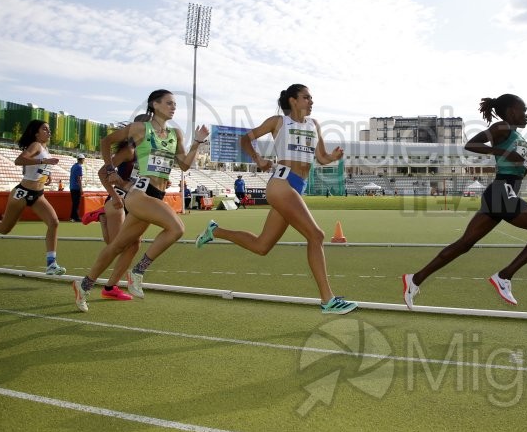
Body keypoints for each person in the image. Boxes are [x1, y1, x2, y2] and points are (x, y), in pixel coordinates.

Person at [195, 84, 357, 315]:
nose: (311, 101)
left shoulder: (314, 124)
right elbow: (245, 140)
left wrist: (333, 156)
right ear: (293, 100)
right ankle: (327, 300)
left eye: (311, 98)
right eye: (306, 97)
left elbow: (320, 158)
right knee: (317, 235)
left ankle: (215, 231)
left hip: (297, 187)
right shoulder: (278, 122)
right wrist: (258, 159)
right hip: (281, 183)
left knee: (262, 246)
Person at [401, 94, 527, 308]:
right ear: (511, 111)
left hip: (504, 192)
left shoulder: (517, 136)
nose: (526, 114)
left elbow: (519, 173)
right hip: (501, 192)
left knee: (464, 244)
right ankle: (504, 276)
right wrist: (501, 151)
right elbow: (471, 144)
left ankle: (415, 279)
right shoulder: (502, 127)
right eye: (523, 109)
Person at [72, 90, 208, 312]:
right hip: (139, 194)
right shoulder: (139, 129)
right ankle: (137, 271)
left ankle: (83, 285)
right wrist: (109, 168)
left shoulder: (176, 133)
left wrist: (198, 143)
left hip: (158, 194)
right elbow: (106, 141)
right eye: (168, 103)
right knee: (176, 228)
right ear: (154, 104)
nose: (173, 107)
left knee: (118, 245)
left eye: (175, 104)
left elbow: (184, 165)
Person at [0, 119, 66, 275]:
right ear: (36, 133)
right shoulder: (36, 145)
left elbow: (34, 169)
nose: (49, 131)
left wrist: (47, 175)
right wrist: (43, 161)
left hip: (38, 195)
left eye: (49, 129)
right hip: (22, 193)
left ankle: (51, 264)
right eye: (45, 129)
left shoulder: (44, 148)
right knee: (4, 228)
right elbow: (18, 160)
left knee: (54, 222)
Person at [69, 154, 85, 222]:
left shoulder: (73, 166)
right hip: (76, 187)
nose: (84, 160)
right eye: (83, 159)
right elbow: (79, 178)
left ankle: (73, 217)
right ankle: (75, 217)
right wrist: (81, 188)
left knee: (74, 203)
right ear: (81, 159)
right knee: (76, 203)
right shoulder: (79, 167)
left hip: (72, 187)